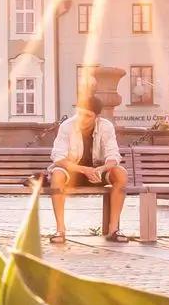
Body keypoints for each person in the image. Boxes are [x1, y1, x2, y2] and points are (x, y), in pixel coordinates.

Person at [47, 92, 128, 243]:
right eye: (80, 114)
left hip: (98, 171)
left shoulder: (106, 126)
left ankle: (113, 230)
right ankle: (60, 230)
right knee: (57, 175)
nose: (82, 119)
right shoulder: (67, 126)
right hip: (73, 171)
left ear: (97, 117)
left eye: (88, 116)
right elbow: (58, 158)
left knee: (121, 174)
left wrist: (102, 169)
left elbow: (113, 155)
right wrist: (84, 170)